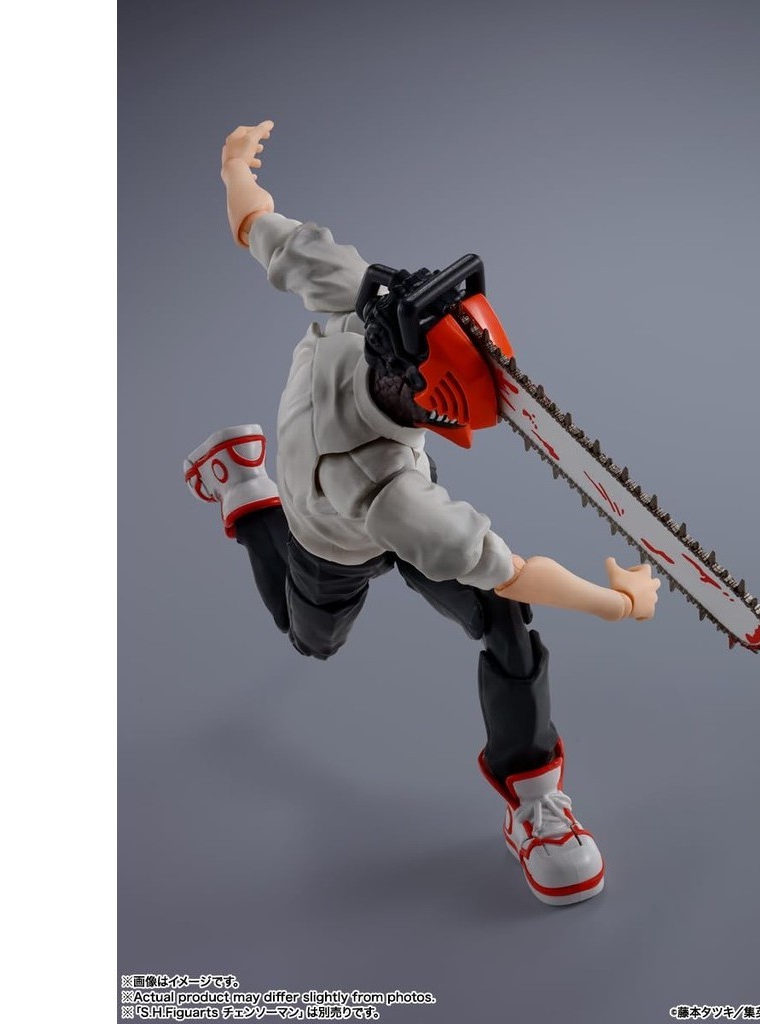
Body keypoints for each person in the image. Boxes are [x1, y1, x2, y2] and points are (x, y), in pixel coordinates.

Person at [184, 121, 660, 907]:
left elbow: (258, 226)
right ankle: (242, 487)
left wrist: (235, 168)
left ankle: (535, 802)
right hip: (331, 537)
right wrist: (617, 602)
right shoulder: (389, 491)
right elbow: (515, 574)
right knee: (312, 639)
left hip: (357, 473)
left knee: (506, 632)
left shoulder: (356, 292)